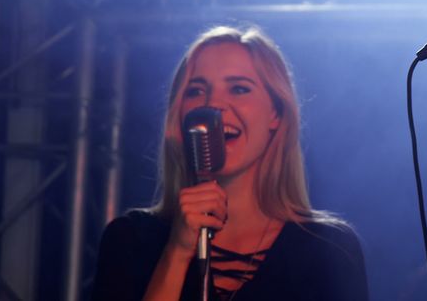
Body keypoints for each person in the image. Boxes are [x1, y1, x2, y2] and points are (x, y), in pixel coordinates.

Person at [92, 25, 369, 300]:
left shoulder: (328, 248)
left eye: (238, 89)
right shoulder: (131, 239)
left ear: (276, 114)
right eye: (196, 91)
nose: (213, 105)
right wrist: (177, 252)